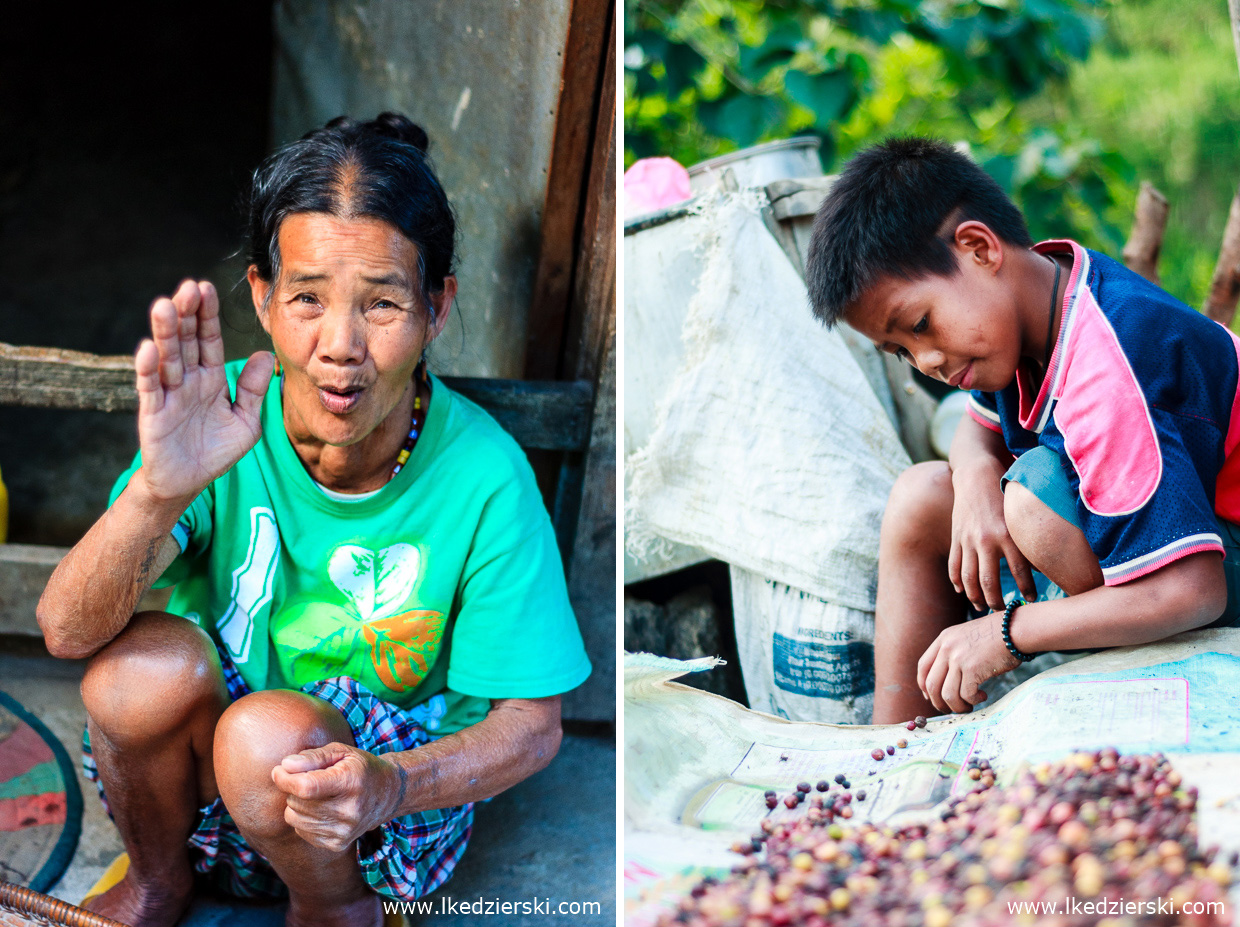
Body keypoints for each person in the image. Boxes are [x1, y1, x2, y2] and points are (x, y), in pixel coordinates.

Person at [36, 112, 592, 927]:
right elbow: (66, 630)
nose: (341, 345)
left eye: (383, 304)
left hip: (377, 807)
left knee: (269, 735)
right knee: (133, 675)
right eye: (306, 298)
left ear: (437, 308)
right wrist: (158, 490)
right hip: (213, 788)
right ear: (261, 296)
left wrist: (391, 785)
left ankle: (336, 911)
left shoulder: (486, 477)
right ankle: (161, 879)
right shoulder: (219, 417)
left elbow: (531, 727)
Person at [804, 136, 1240, 726]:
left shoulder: (1106, 367)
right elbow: (973, 433)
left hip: (1204, 566)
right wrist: (978, 486)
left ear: (979, 248)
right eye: (901, 350)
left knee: (1033, 498)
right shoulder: (1030, 304)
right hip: (1178, 540)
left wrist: (1005, 635)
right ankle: (895, 751)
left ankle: (1123, 679)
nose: (927, 361)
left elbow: (1192, 590)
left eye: (921, 324)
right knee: (925, 496)